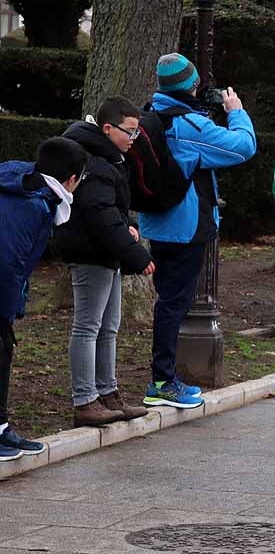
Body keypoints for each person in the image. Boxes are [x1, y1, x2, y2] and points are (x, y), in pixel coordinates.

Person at [139, 53, 257, 409]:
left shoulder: (154, 114)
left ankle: (165, 377)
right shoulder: (188, 125)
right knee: (174, 304)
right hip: (185, 226)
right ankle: (161, 381)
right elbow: (243, 147)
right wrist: (235, 110)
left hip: (158, 222)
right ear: (190, 85)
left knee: (169, 301)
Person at [56, 97, 156, 426]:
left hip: (105, 253)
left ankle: (107, 392)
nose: (134, 138)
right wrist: (136, 253)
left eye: (137, 132)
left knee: (108, 327)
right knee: (88, 327)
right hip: (90, 254)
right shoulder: (96, 162)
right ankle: (85, 400)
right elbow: (99, 215)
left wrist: (128, 225)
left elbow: (110, 210)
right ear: (108, 128)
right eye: (130, 132)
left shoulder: (108, 159)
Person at [0, 138, 87, 461]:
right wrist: (10, 309)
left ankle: (1, 427)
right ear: (73, 179)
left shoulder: (30, 189)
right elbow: (10, 262)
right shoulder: (34, 205)